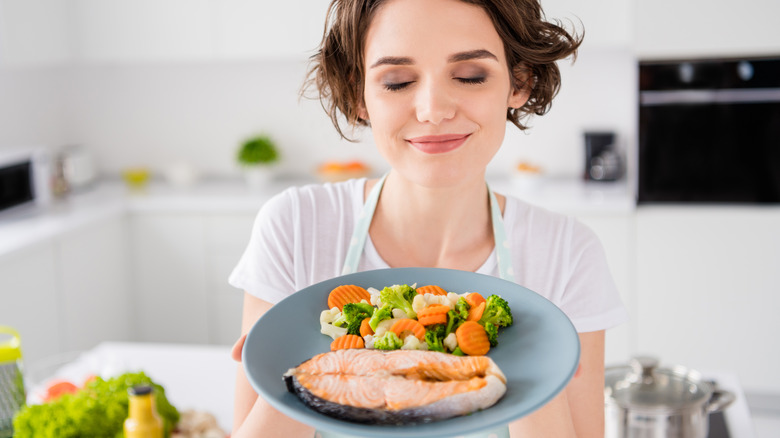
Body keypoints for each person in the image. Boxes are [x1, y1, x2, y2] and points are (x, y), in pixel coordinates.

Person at [228, 0, 628, 437]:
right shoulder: (296, 227)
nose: (434, 110)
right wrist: (299, 371)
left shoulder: (567, 253)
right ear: (359, 93)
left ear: (519, 81)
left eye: (471, 75)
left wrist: (534, 373)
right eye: (397, 81)